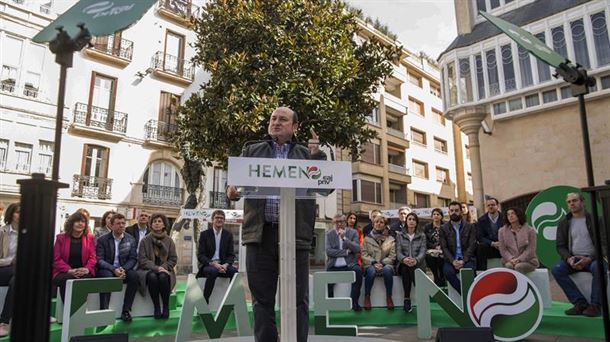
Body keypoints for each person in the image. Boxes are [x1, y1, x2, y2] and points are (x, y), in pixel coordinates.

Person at [226, 106, 325, 342]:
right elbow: (236, 186)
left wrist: (316, 156)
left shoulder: (305, 153)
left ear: (295, 127)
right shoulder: (252, 150)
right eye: (273, 118)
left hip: (295, 236)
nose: (276, 122)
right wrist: (232, 192)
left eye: (283, 119)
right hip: (261, 235)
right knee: (261, 299)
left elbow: (325, 186)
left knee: (298, 299)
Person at [552, 193, 606, 317]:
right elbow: (560, 246)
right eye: (569, 202)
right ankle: (580, 303)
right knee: (557, 270)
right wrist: (568, 258)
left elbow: (604, 244)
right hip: (574, 258)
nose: (572, 203)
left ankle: (595, 305)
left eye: (574, 200)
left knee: (598, 268)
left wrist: (590, 258)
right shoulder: (564, 223)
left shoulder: (596, 220)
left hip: (594, 258)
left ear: (582, 202)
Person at [96, 213, 139, 322]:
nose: (121, 225)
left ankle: (126, 310)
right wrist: (113, 269)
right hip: (107, 269)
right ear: (111, 225)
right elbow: (99, 260)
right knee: (107, 276)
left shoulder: (131, 239)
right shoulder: (102, 240)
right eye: (118, 223)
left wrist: (123, 269)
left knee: (134, 276)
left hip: (123, 268)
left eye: (123, 223)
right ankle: (104, 310)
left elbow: (133, 258)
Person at [138, 213, 177, 319]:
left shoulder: (169, 240)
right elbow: (142, 259)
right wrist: (156, 268)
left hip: (166, 270)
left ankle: (165, 306)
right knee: (152, 277)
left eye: (159, 221)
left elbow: (173, 259)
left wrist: (163, 267)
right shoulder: (145, 240)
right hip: (148, 270)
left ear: (164, 225)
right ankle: (156, 307)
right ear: (151, 224)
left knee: (163, 277)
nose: (157, 223)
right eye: (154, 221)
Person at [52, 212, 96, 302]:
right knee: (68, 279)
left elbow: (93, 257)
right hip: (63, 272)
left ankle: (79, 310)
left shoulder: (90, 238)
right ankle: (68, 310)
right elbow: (56, 259)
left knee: (84, 280)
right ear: (71, 223)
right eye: (77, 221)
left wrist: (86, 269)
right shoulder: (61, 238)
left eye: (83, 222)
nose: (80, 223)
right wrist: (70, 270)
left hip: (83, 271)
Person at [196, 209, 237, 304]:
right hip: (209, 266)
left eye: (222, 218)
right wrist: (213, 264)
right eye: (217, 218)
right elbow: (201, 255)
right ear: (212, 220)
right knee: (213, 271)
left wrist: (226, 265)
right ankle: (205, 301)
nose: (219, 220)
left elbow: (231, 255)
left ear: (224, 220)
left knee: (235, 272)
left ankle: (231, 300)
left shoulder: (228, 235)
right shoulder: (204, 234)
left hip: (223, 266)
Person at [326, 214, 363, 311]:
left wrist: (344, 239)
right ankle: (330, 303)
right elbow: (329, 251)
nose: (339, 224)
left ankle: (354, 302)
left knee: (358, 271)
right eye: (336, 222)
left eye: (341, 222)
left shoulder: (353, 232)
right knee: (327, 280)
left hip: (349, 264)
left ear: (345, 222)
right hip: (334, 265)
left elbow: (356, 248)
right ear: (333, 223)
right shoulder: (329, 234)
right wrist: (346, 252)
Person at [440, 201, 477, 294]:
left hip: (467, 259)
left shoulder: (470, 227)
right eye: (451, 210)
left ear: (461, 212)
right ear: (448, 212)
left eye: (456, 210)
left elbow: (472, 245)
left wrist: (463, 260)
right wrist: (453, 261)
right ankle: (466, 294)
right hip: (451, 259)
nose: (454, 213)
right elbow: (444, 248)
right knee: (448, 273)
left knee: (470, 272)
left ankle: (471, 295)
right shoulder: (443, 228)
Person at [361, 214, 395, 310]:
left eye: (381, 222)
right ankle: (367, 297)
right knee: (371, 271)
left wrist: (383, 263)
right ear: (373, 224)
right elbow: (364, 254)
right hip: (370, 265)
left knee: (388, 270)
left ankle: (389, 297)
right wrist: (373, 263)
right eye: (376, 222)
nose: (379, 224)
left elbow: (392, 256)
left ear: (385, 225)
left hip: (386, 264)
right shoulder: (366, 239)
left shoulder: (391, 240)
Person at [396, 212, 426, 312]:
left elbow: (423, 251)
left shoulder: (422, 235)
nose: (411, 221)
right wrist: (404, 259)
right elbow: (398, 251)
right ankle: (408, 299)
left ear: (417, 222)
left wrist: (416, 260)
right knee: (405, 268)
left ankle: (408, 299)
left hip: (418, 264)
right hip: (404, 263)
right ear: (406, 221)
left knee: (411, 268)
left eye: (414, 219)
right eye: (409, 219)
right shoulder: (400, 235)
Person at [498, 207, 539, 274]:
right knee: (508, 266)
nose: (510, 216)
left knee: (518, 267)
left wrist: (519, 259)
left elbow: (531, 249)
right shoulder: (502, 231)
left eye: (513, 213)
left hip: (528, 261)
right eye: (508, 214)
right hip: (510, 261)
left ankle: (523, 284)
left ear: (518, 215)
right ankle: (512, 284)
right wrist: (511, 259)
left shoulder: (530, 230)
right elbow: (503, 249)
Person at [0, 204, 19, 336]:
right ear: (11, 214)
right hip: (4, 269)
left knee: (18, 278)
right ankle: (5, 322)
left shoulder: (30, 233)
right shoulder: (2, 232)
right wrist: (10, 261)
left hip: (19, 271)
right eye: (18, 212)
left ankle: (4, 321)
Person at [476, 198, 504, 270]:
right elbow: (480, 237)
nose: (490, 207)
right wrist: (492, 243)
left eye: (493, 205)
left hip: (503, 245)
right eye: (488, 205)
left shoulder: (505, 218)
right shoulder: (481, 220)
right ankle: (482, 271)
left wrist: (501, 243)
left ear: (497, 206)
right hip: (489, 246)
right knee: (480, 247)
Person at [423, 208, 446, 287]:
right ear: (432, 216)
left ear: (441, 216)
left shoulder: (445, 226)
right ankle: (436, 276)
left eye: (438, 214)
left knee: (441, 257)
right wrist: (434, 246)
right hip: (431, 248)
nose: (436, 216)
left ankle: (442, 276)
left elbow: (448, 239)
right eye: (434, 214)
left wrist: (441, 247)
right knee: (429, 256)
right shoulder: (427, 227)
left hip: (443, 248)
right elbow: (425, 240)